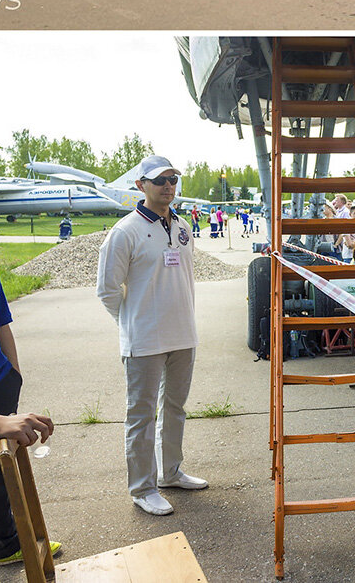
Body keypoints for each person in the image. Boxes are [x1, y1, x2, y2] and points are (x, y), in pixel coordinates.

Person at [96, 156, 207, 516]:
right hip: (144, 340)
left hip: (182, 334)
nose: (168, 186)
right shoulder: (125, 231)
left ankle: (170, 472)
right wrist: (130, 321)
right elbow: (107, 289)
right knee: (142, 416)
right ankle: (143, 488)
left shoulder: (183, 226)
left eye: (173, 179)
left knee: (175, 408)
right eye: (160, 180)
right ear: (141, 185)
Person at [0, 233, 62, 568]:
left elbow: (1, 322)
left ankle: (10, 535)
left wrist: (14, 375)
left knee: (0, 469)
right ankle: (3, 544)